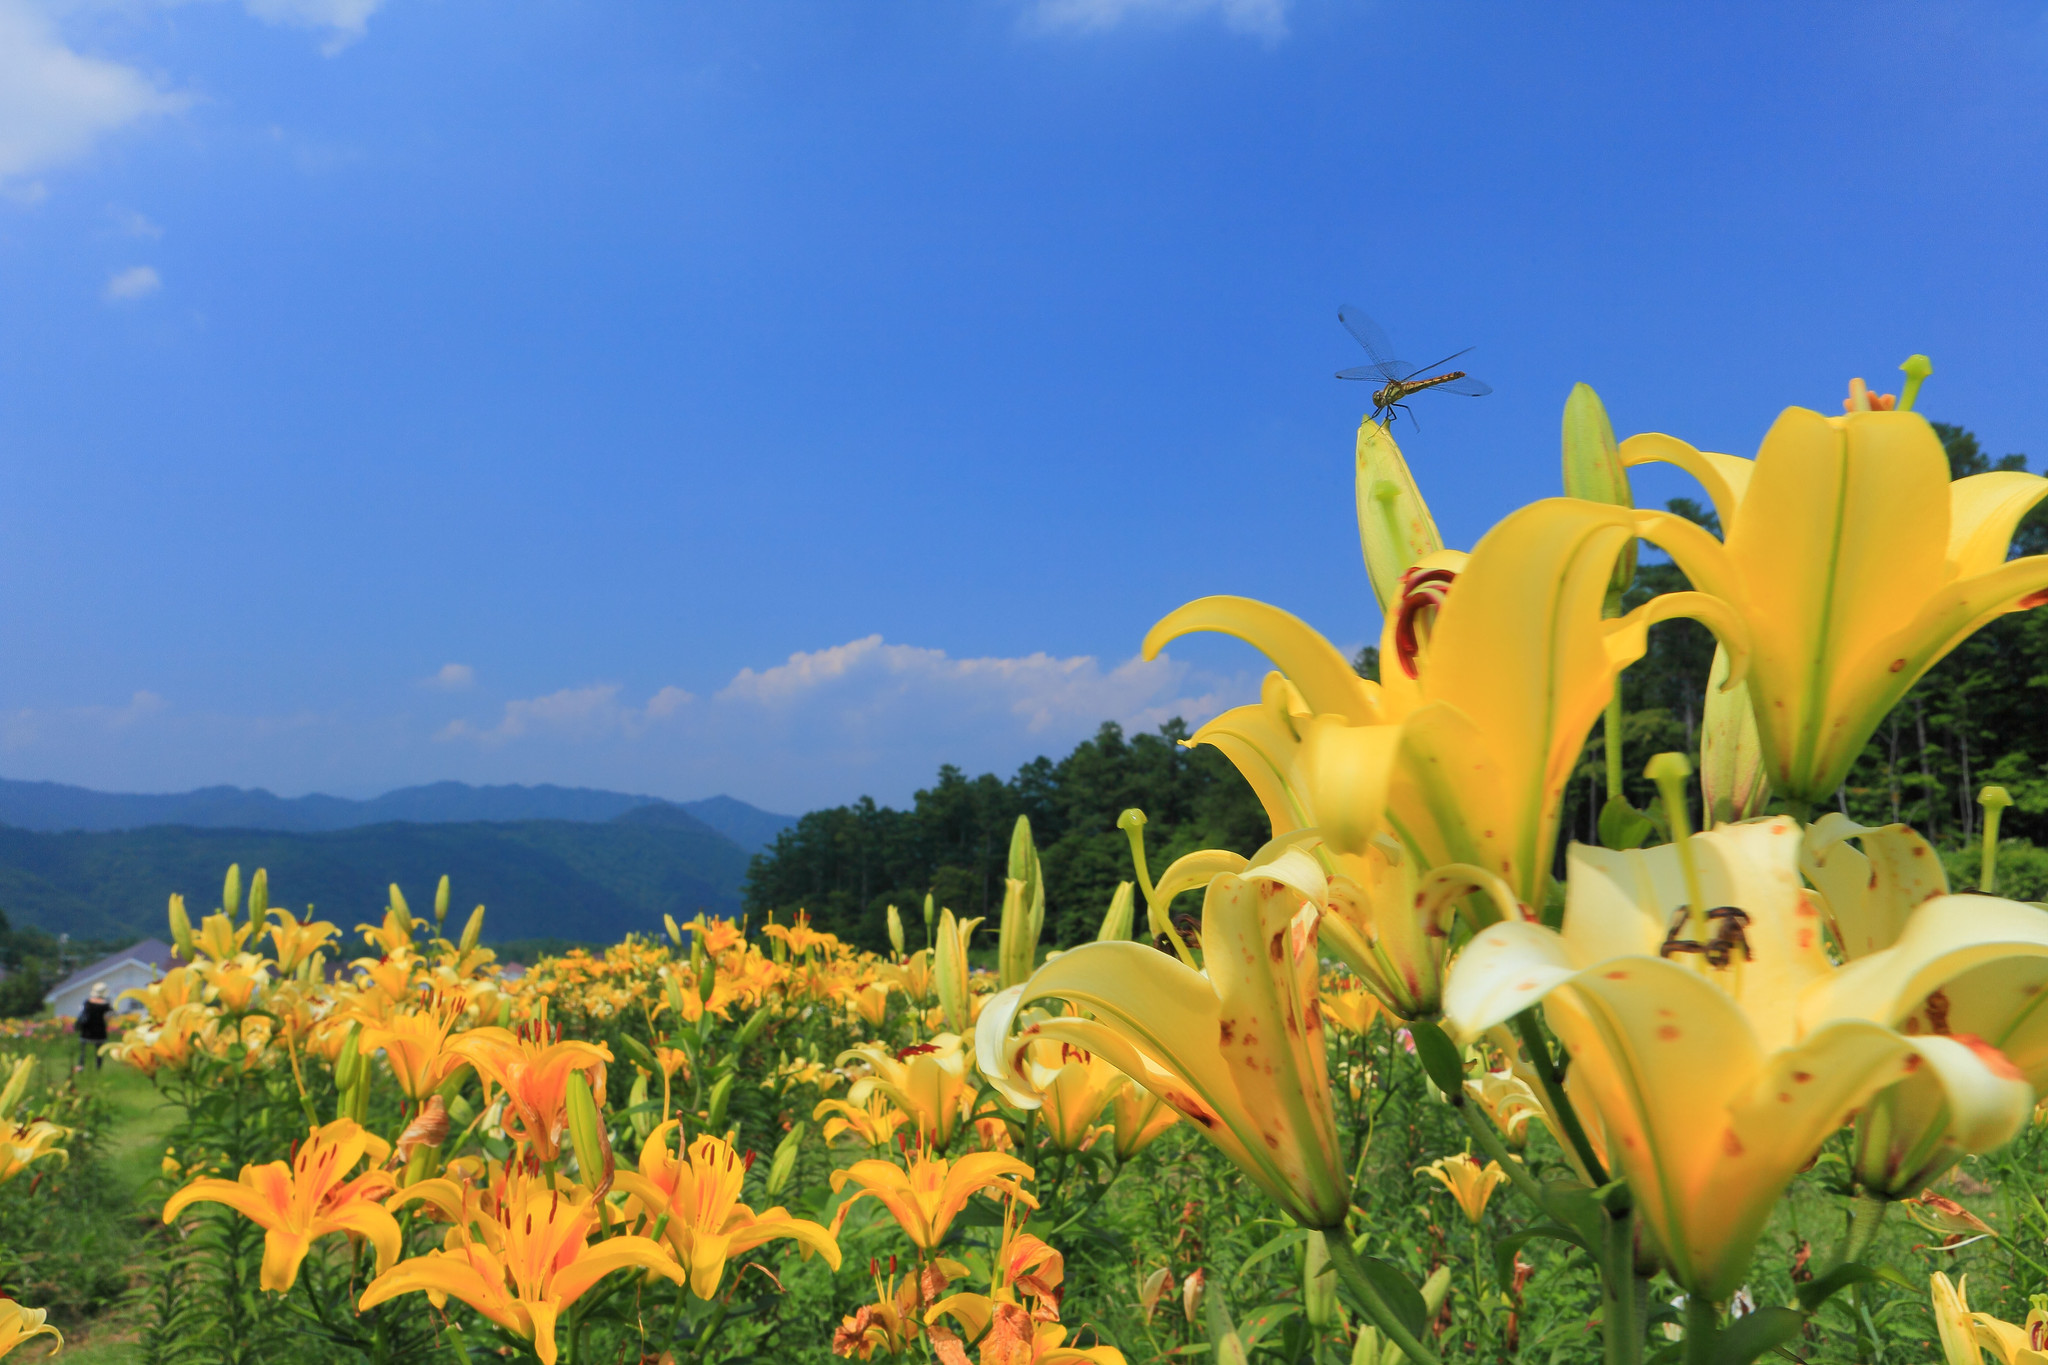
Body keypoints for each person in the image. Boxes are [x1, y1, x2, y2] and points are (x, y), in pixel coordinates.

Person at [75, 983, 112, 1073]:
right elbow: (108, 1017)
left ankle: (80, 1067)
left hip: (87, 1029)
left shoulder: (87, 1002)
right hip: (99, 1030)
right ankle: (98, 1069)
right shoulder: (105, 1005)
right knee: (99, 1051)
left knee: (83, 1051)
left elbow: (82, 1012)